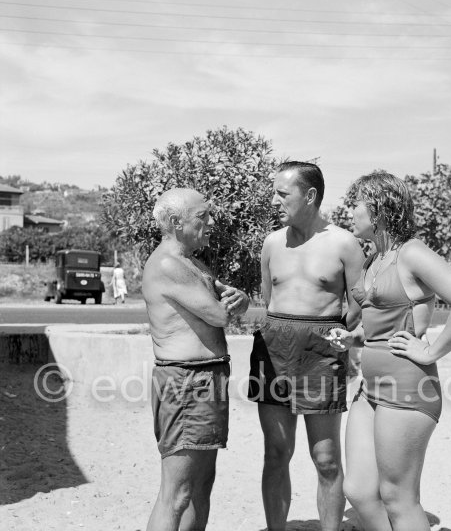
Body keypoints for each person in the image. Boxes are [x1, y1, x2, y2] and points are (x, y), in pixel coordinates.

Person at [326, 171, 451, 531]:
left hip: (407, 386)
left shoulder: (411, 253)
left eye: (356, 204)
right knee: (360, 490)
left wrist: (431, 353)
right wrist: (354, 338)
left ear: (379, 210)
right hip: (371, 387)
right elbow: (379, 322)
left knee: (398, 497)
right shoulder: (372, 259)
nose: (350, 212)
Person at [248, 161, 365, 531]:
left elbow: (360, 303)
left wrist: (335, 339)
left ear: (310, 196)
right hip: (274, 346)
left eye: (282, 194)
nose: (274, 200)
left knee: (326, 458)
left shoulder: (344, 243)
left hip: (322, 350)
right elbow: (268, 298)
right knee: (276, 453)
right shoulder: (271, 242)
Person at [142, 188, 249, 531]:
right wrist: (231, 304)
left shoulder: (192, 263)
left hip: (204, 379)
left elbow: (230, 299)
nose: (211, 222)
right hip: (186, 383)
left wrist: (241, 297)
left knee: (201, 485)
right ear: (175, 222)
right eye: (203, 216)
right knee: (176, 493)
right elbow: (219, 313)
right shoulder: (169, 263)